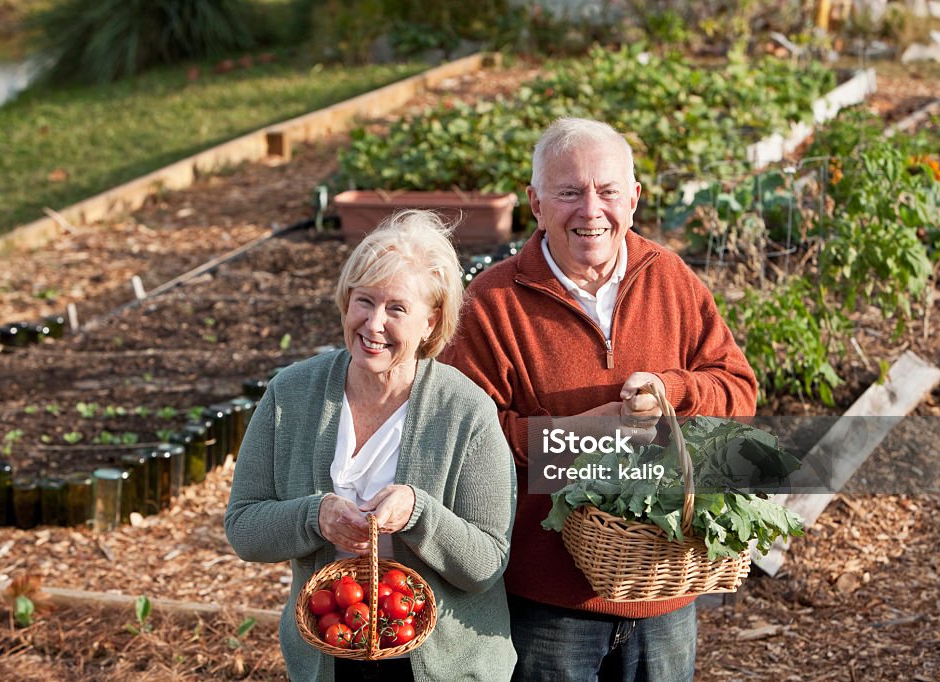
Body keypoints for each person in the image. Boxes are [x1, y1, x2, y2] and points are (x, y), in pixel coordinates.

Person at [440, 117, 758, 681]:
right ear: (536, 203)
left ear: (633, 199)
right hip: (547, 599)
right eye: (569, 192)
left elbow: (738, 389)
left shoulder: (671, 279)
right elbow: (464, 441)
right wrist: (583, 435)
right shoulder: (490, 303)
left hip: (665, 588)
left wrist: (673, 391)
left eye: (608, 191)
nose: (591, 210)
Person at [224, 210, 517, 682]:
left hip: (444, 665)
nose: (373, 323)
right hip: (333, 650)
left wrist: (420, 514)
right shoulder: (292, 394)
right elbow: (244, 528)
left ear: (431, 322)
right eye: (364, 301)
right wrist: (315, 516)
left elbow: (486, 563)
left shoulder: (467, 411)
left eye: (397, 308)